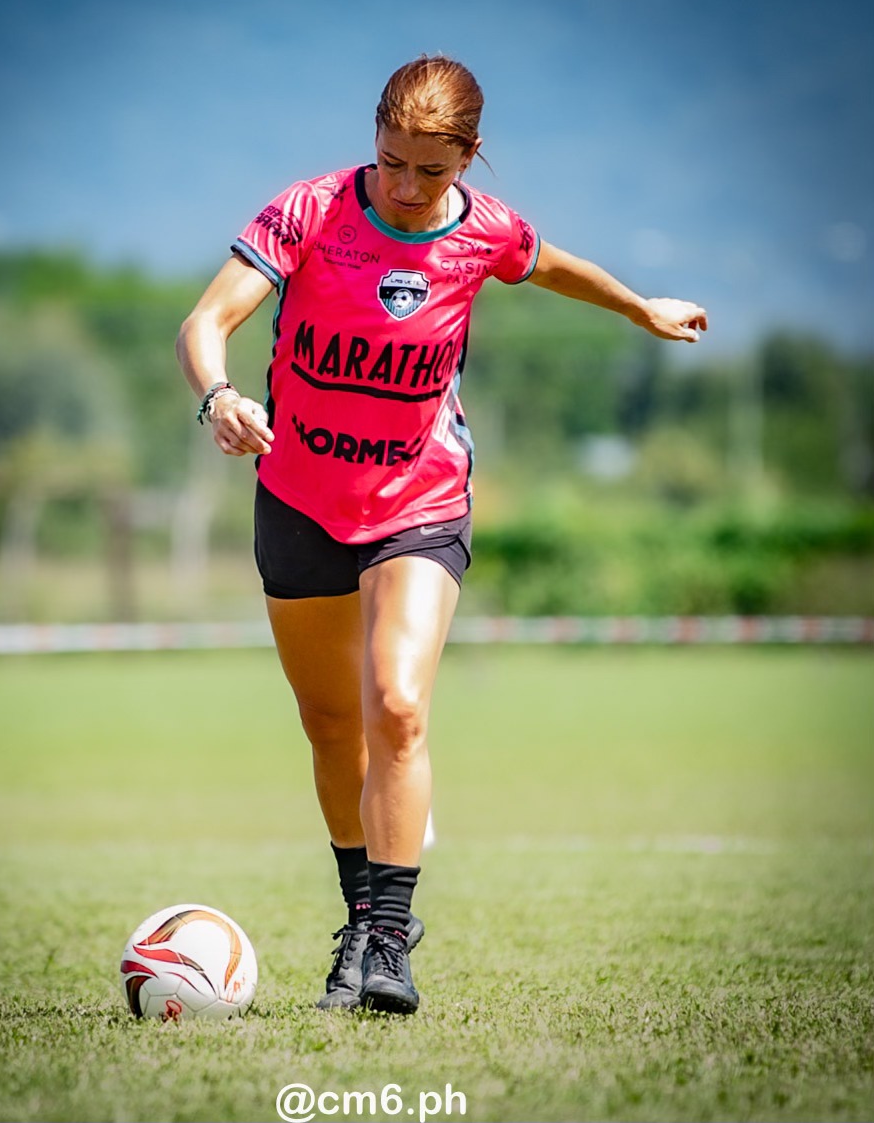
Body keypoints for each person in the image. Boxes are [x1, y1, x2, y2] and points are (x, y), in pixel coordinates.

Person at [176, 55, 707, 1015]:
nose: (408, 187)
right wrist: (218, 394)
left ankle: (387, 943)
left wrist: (639, 307)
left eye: (432, 170)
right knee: (331, 722)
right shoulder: (310, 214)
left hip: (419, 502)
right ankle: (360, 924)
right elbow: (205, 320)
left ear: (469, 158)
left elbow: (553, 266)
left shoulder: (482, 234)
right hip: (297, 497)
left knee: (397, 703)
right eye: (391, 163)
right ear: (373, 139)